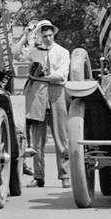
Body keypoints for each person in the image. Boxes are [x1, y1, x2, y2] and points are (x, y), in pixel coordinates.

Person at [15, 20, 70, 187]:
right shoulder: (33, 51)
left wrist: (40, 77)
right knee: (38, 140)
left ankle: (65, 175)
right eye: (44, 35)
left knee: (61, 136)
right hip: (38, 96)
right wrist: (25, 35)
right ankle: (39, 176)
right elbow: (16, 54)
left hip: (56, 93)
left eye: (50, 35)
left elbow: (61, 76)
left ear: (54, 34)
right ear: (39, 36)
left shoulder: (62, 52)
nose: (47, 38)